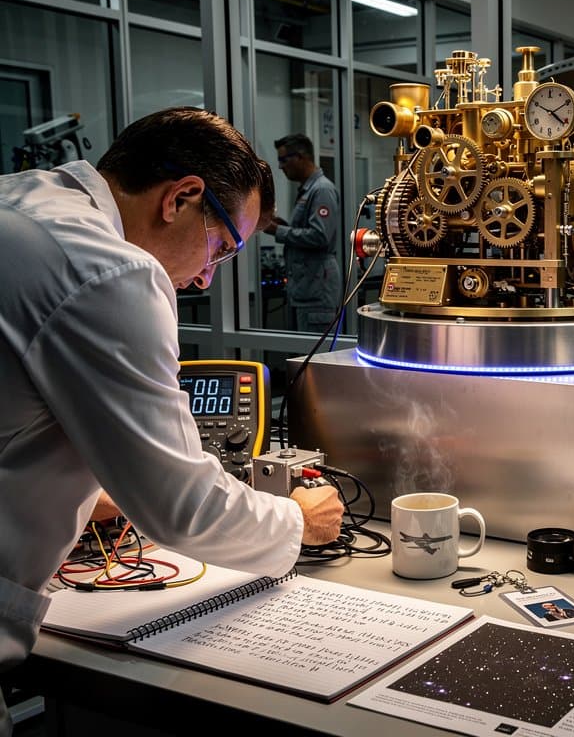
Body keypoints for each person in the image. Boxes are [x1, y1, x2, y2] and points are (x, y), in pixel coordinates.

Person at [0, 107, 345, 737]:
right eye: (220, 247)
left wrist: (81, 494)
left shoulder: (22, 204)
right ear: (182, 198)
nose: (206, 276)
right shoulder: (109, 270)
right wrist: (300, 519)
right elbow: (184, 510)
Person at [263, 134, 342, 333]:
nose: (280, 167)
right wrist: (283, 225)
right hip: (305, 290)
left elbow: (320, 237)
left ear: (301, 157)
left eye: (283, 160)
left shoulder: (321, 190)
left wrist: (277, 230)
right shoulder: (308, 190)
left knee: (316, 359)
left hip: (317, 292)